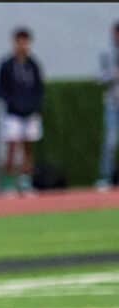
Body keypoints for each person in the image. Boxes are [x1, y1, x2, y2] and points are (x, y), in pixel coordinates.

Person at [0, 27, 44, 196]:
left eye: (26, 42)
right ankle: (8, 184)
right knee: (11, 148)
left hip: (30, 114)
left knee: (28, 149)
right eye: (20, 41)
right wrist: (13, 103)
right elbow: (0, 89)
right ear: (15, 43)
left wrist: (34, 106)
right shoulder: (6, 65)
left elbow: (39, 88)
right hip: (13, 114)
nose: (23, 45)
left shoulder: (33, 65)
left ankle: (26, 183)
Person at [96, 21, 119, 191]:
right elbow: (99, 78)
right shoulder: (107, 55)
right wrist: (112, 74)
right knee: (110, 142)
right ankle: (106, 177)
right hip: (112, 104)